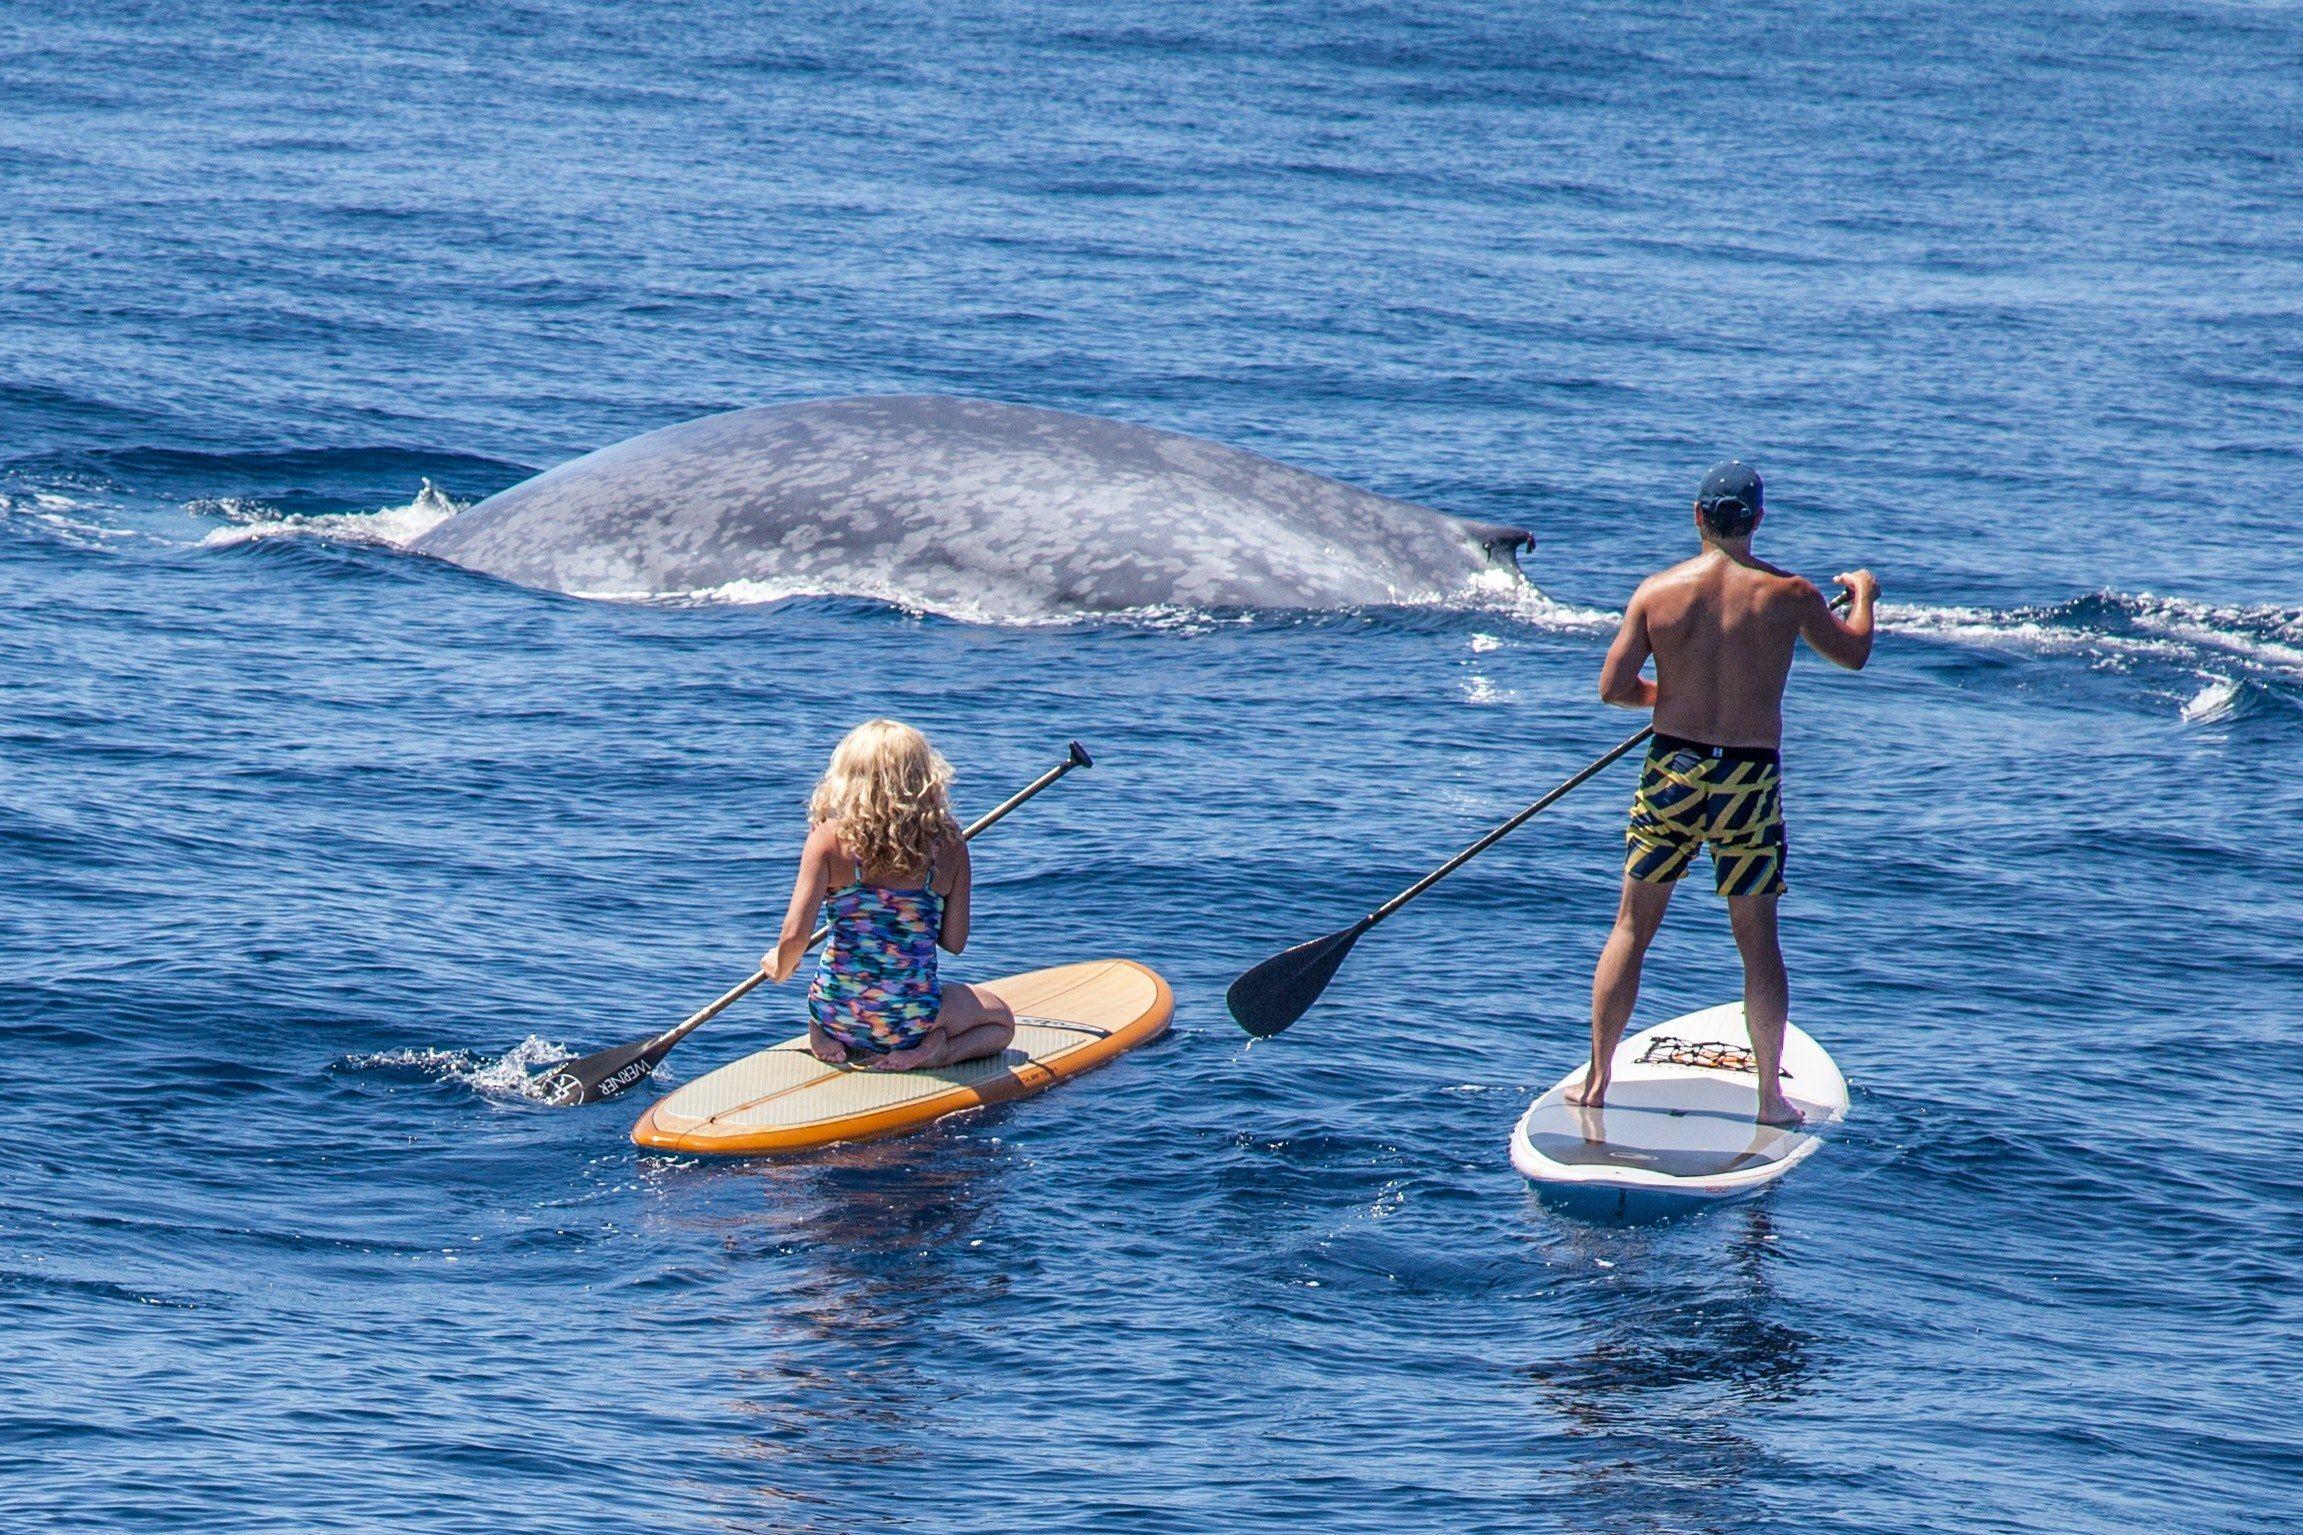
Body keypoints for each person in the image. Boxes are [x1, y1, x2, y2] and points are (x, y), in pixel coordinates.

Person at [1569, 461, 1876, 1126]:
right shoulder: (1789, 594)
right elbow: (1852, 654)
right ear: (1757, 519)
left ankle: (1597, 1082)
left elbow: (1613, 688)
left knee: (1630, 926)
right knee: (1756, 939)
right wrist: (1863, 595)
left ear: (1697, 516)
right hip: (1746, 775)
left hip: (1672, 766)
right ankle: (1768, 1098)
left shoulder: (1656, 592)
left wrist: (1669, 697)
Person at [762, 719, 1016, 1072]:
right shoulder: (950, 843)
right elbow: (954, 942)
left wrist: (779, 965)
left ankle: (819, 1029)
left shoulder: (826, 840)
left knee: (830, 988)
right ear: (925, 778)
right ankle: (937, 1051)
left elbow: (794, 937)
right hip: (909, 1021)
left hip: (838, 1010)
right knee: (1001, 1022)